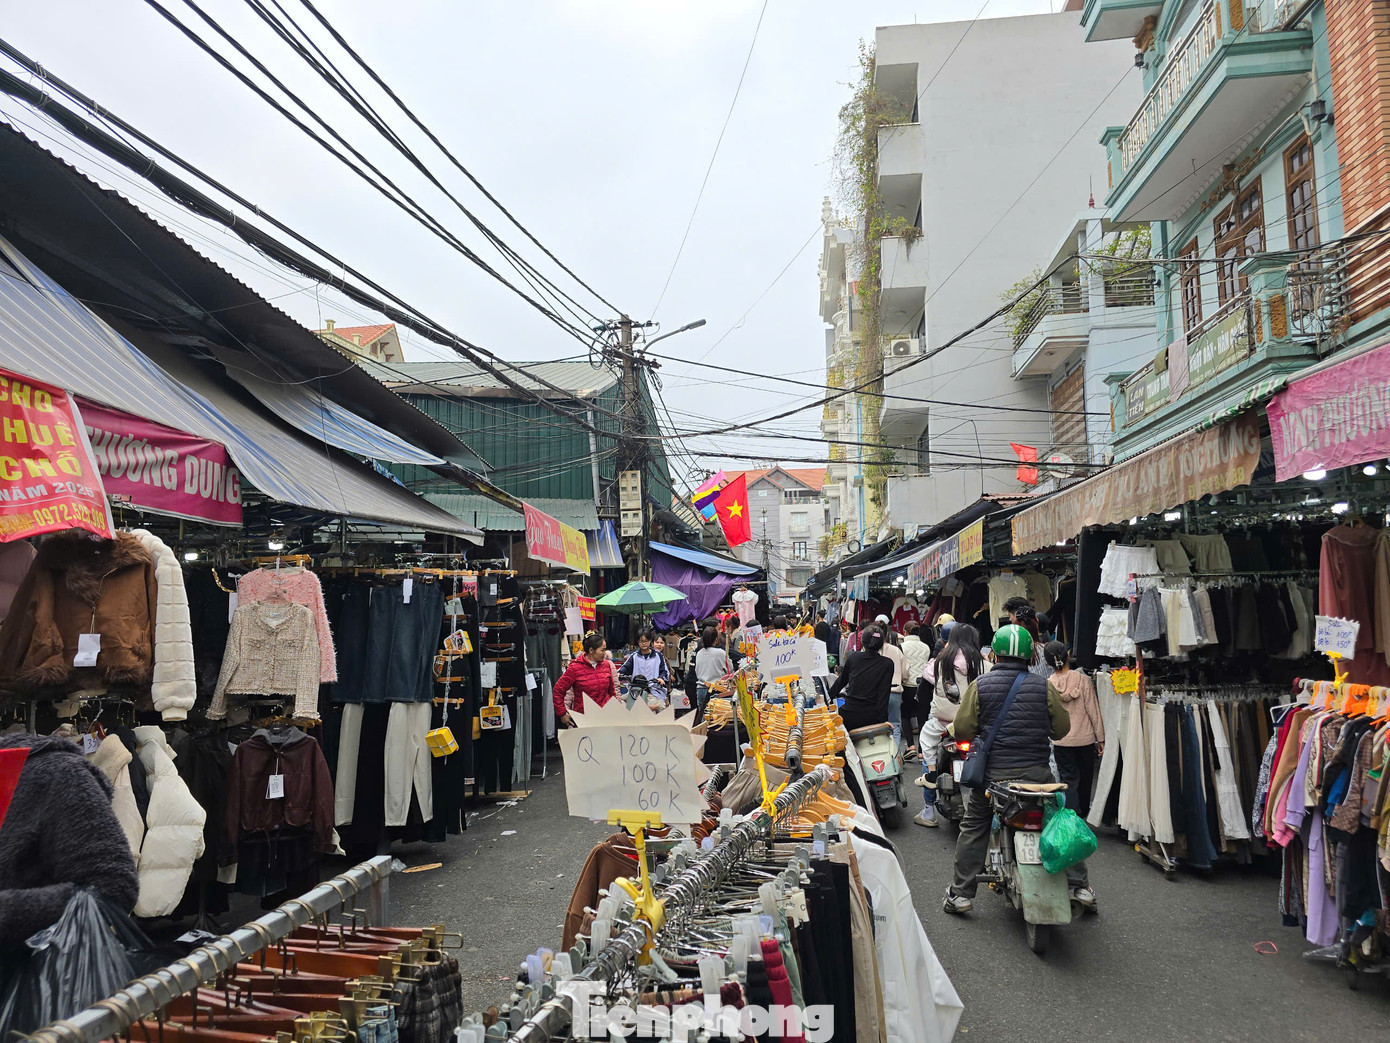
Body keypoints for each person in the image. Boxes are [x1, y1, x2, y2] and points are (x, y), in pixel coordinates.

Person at [943, 624, 1094, 913]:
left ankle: (960, 894)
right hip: (1038, 776)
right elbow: (1061, 730)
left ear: (995, 655)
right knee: (1058, 821)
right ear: (1030, 656)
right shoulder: (1043, 686)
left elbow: (962, 730)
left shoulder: (981, 686)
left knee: (974, 826)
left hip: (993, 779)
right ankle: (1080, 886)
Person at [915, 623, 984, 827]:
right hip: (974, 723)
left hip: (943, 723)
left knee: (927, 743)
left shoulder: (939, 663)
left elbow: (927, 679)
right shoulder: (983, 664)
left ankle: (929, 804)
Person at [1045, 641, 1104, 816]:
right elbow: (1093, 711)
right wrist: (1100, 738)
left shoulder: (1048, 684)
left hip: (1062, 740)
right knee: (1086, 779)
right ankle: (1083, 813)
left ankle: (1071, 815)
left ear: (1048, 663)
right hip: (1084, 739)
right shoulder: (1082, 680)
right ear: (1068, 656)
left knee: (1068, 779)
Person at [828, 624, 895, 732]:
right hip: (872, 718)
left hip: (849, 714)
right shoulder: (887, 664)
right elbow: (884, 694)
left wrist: (827, 699)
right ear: (882, 643)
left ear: (863, 642)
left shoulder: (853, 657)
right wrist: (883, 721)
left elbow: (841, 682)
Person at [552, 632, 618, 726]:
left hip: (605, 718)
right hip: (583, 719)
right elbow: (558, 691)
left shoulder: (607, 665)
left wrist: (616, 710)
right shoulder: (575, 668)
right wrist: (562, 713)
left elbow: (612, 691)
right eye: (602, 650)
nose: (604, 653)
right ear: (591, 650)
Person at [878, 624, 907, 748]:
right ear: (887, 634)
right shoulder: (896, 650)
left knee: (877, 726)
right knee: (895, 726)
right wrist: (902, 681)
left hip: (877, 692)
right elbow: (905, 672)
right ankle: (896, 758)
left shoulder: (871, 650)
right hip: (895, 691)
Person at [693, 626, 729, 720]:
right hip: (716, 690)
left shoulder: (699, 653)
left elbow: (697, 671)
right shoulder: (720, 653)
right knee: (716, 720)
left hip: (701, 689)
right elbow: (729, 669)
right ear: (716, 639)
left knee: (704, 719)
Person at [620, 628, 670, 693]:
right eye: (641, 641)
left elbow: (664, 671)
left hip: (654, 690)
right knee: (621, 701)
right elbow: (626, 667)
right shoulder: (634, 656)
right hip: (635, 691)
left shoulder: (658, 656)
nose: (644, 643)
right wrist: (619, 673)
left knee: (656, 703)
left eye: (646, 641)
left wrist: (661, 678)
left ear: (650, 641)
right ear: (638, 642)